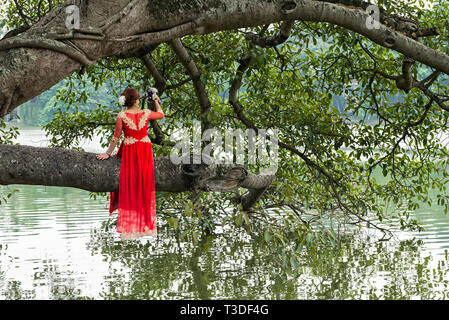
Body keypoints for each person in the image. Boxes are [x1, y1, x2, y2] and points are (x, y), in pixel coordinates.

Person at [96, 88, 164, 240]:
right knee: (144, 181)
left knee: (130, 181)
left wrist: (108, 153)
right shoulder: (146, 112)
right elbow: (161, 114)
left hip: (131, 149)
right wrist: (156, 101)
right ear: (137, 101)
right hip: (144, 148)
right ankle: (145, 224)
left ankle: (131, 223)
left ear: (125, 102)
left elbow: (116, 138)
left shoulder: (122, 115)